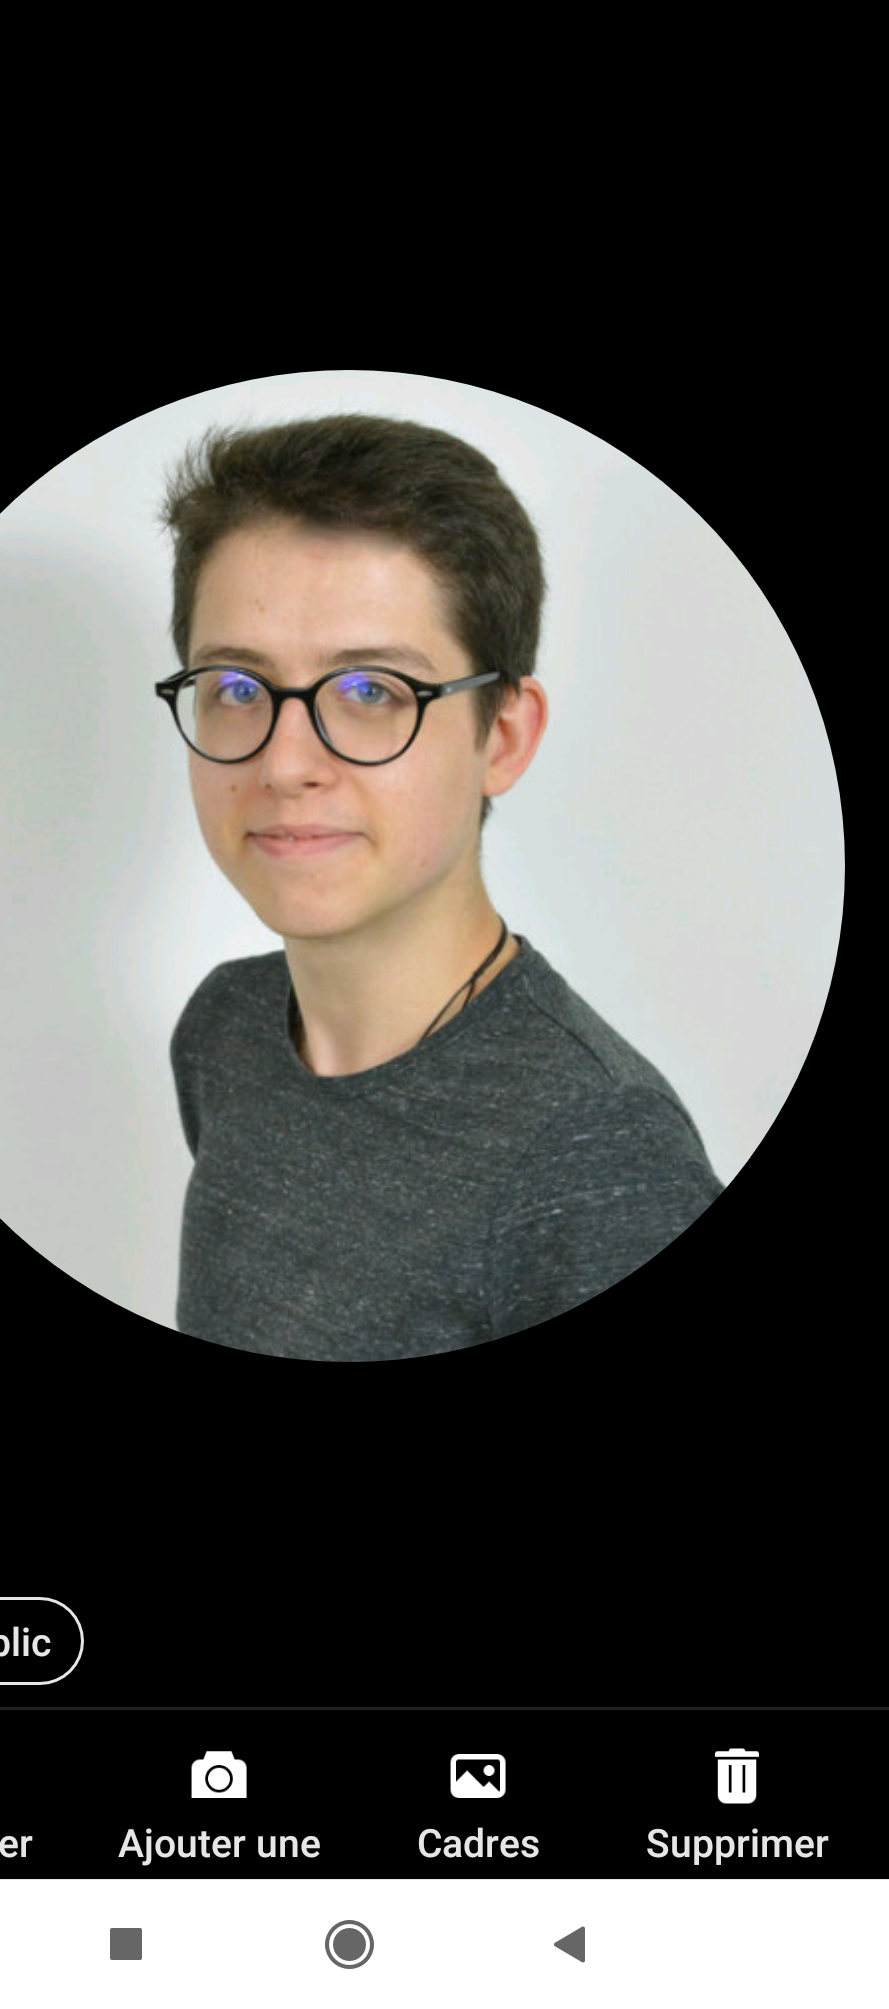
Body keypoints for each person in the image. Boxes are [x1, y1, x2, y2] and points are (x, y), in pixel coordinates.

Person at [155, 413, 724, 1360]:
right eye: (239, 689)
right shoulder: (226, 1031)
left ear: (502, 736)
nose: (285, 765)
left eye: (371, 691)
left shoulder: (597, 1150)